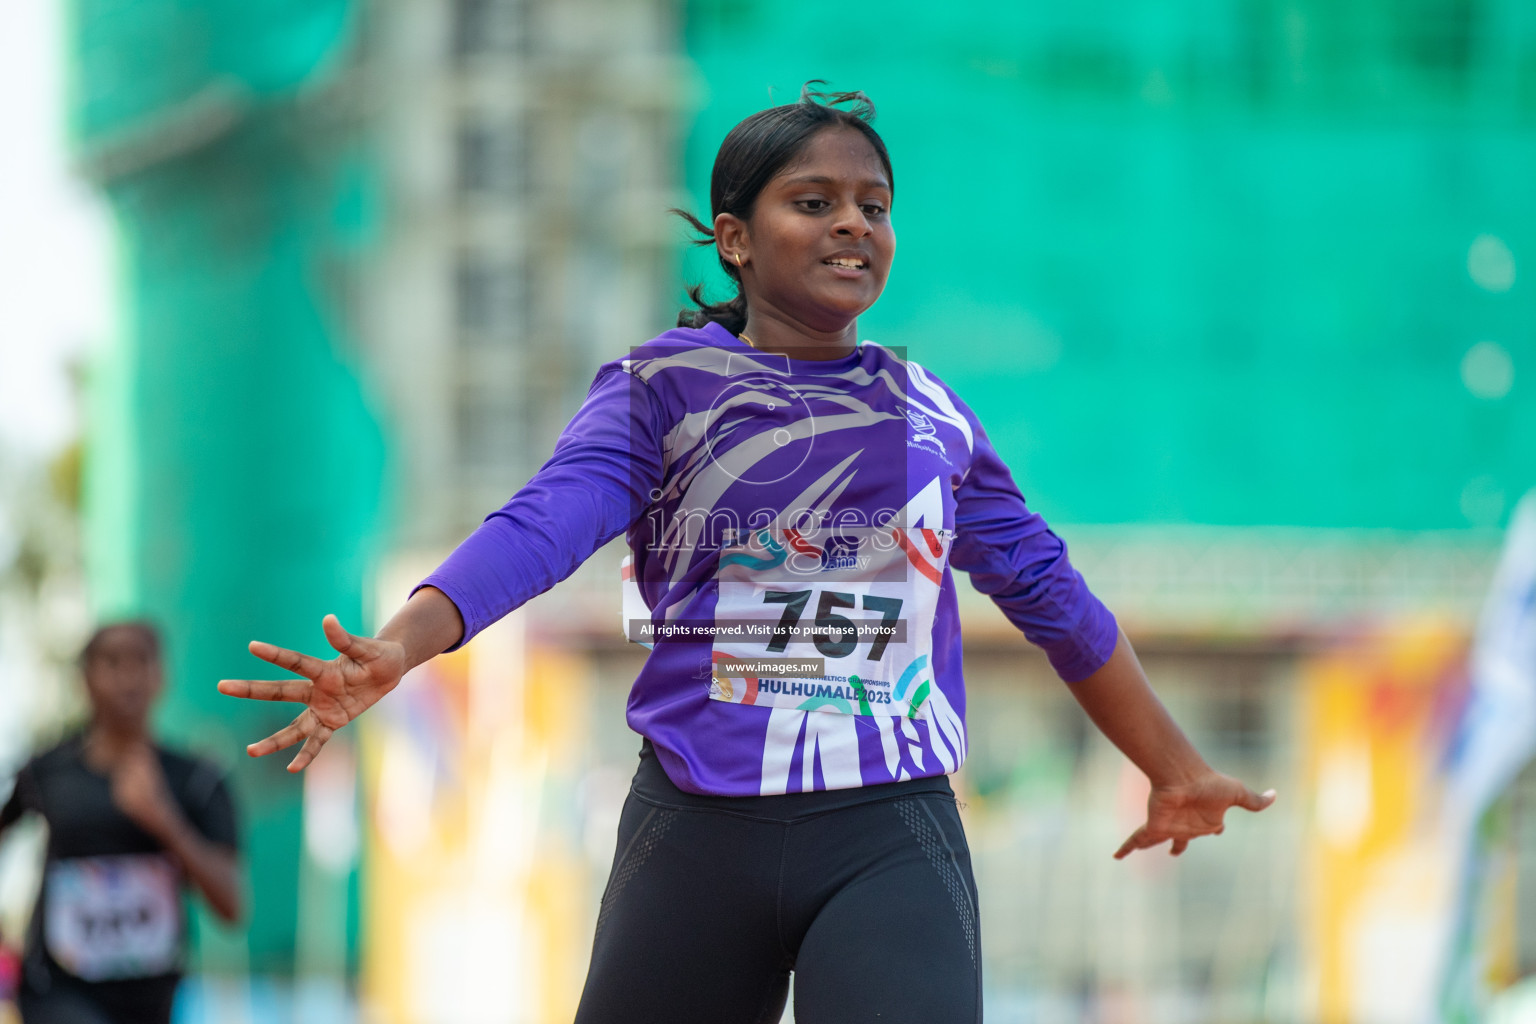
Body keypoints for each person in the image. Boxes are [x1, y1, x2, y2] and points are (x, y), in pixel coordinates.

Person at [218, 84, 1276, 1023]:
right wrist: (406, 643)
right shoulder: (660, 389)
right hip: (690, 834)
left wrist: (1174, 766)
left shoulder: (930, 417)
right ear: (734, 236)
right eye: (813, 201)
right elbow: (544, 525)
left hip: (887, 831)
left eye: (874, 204)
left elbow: (1050, 593)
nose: (853, 222)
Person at [0, 622, 242, 1024]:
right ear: (86, 678)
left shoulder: (196, 780)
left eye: (141, 661)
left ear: (161, 676)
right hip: (57, 990)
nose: (128, 677)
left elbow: (231, 904)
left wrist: (165, 821)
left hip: (150, 996)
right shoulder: (48, 772)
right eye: (113, 662)